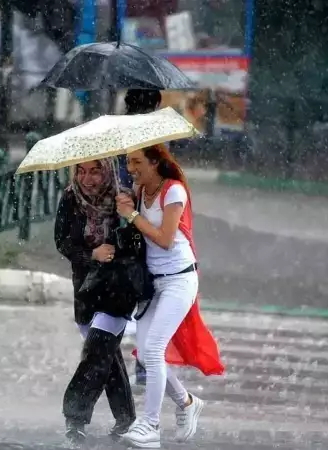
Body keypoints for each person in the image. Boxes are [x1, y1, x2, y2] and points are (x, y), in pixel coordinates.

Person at [115, 144, 224, 448]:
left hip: (179, 280)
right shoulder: (140, 191)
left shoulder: (173, 190)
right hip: (153, 284)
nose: (131, 168)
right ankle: (187, 402)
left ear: (155, 162)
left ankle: (150, 426)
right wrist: (127, 205)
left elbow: (164, 239)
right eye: (128, 162)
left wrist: (132, 214)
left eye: (136, 162)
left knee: (153, 351)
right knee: (145, 354)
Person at [54, 158, 137, 448]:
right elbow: (62, 242)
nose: (87, 179)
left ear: (108, 171)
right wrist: (92, 255)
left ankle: (75, 418)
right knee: (106, 355)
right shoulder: (70, 198)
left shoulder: (124, 198)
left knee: (97, 351)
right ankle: (126, 418)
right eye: (81, 171)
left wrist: (127, 220)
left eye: (95, 171)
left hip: (118, 288)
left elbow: (138, 243)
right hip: (85, 288)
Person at [120, 88, 163, 386]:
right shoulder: (158, 138)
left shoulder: (116, 133)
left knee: (124, 292)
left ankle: (110, 360)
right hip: (148, 220)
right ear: (155, 104)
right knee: (149, 295)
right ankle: (144, 364)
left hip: (122, 220)